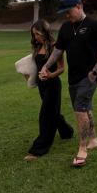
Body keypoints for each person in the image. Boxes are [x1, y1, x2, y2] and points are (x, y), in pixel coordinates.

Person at [40, 0, 97, 167]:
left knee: (80, 109)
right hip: (74, 77)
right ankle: (93, 140)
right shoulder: (65, 28)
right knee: (85, 108)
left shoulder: (94, 25)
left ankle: (82, 149)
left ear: (79, 6)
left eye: (69, 11)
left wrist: (95, 71)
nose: (67, 16)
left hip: (89, 76)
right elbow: (58, 51)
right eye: (64, 13)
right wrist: (46, 67)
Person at [24, 19, 74, 161]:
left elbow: (62, 68)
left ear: (45, 32)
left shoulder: (54, 46)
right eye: (34, 35)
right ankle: (67, 132)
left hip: (53, 85)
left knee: (46, 115)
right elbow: (36, 67)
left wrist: (50, 75)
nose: (35, 37)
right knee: (54, 113)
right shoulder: (38, 47)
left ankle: (39, 149)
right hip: (42, 85)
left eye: (38, 34)